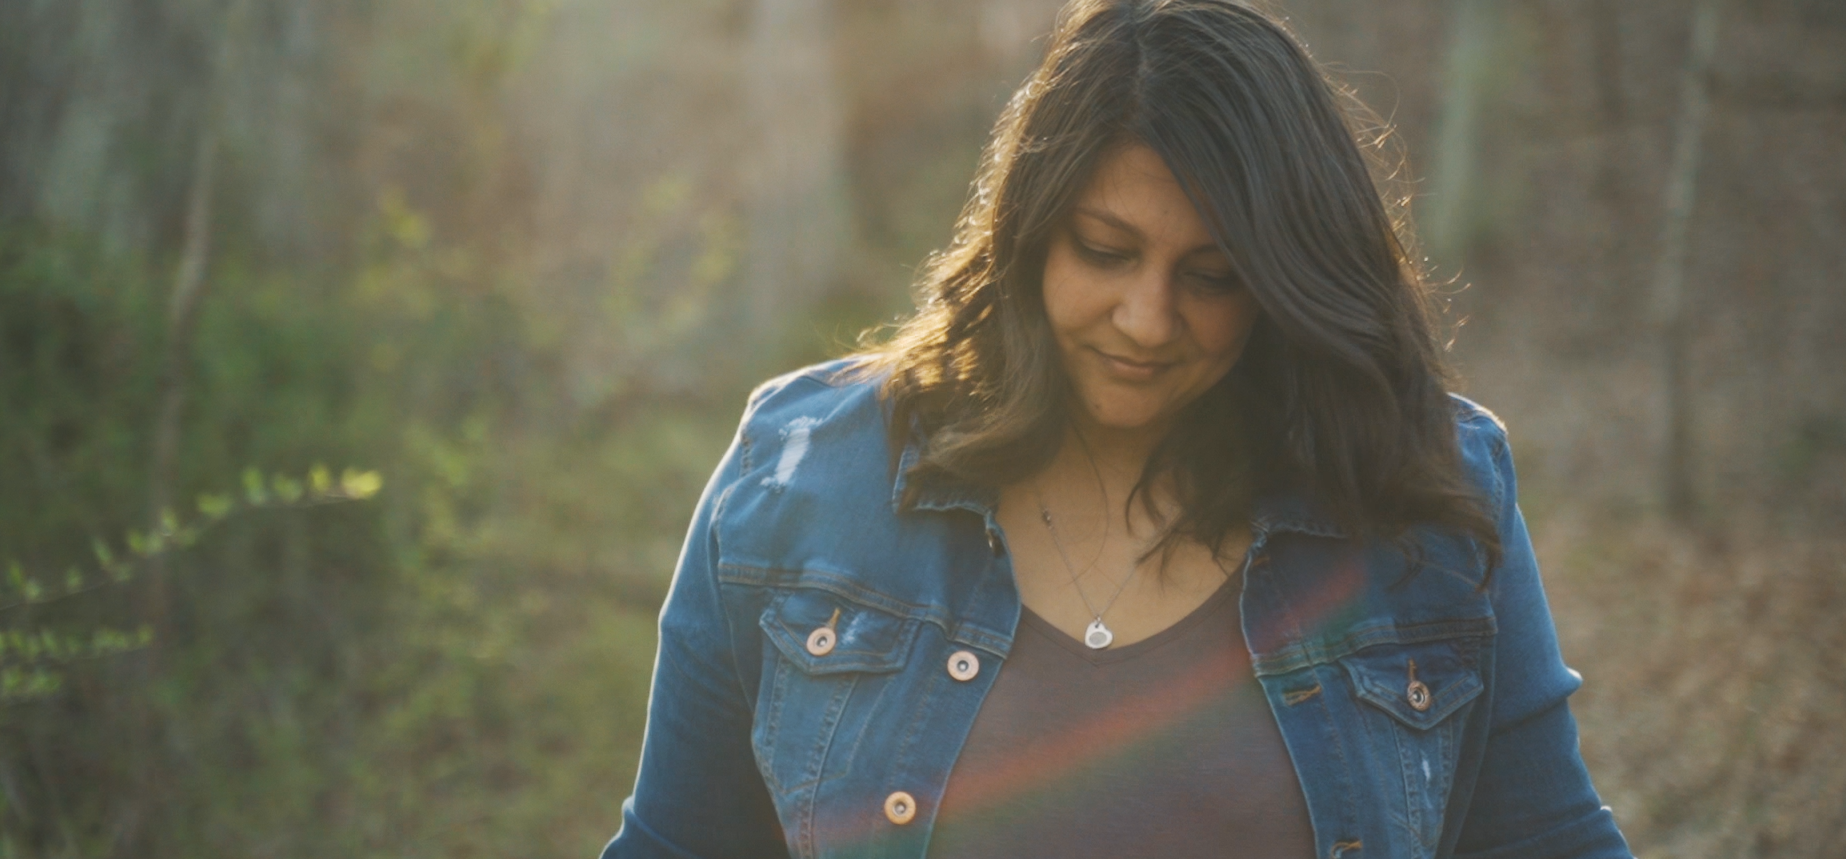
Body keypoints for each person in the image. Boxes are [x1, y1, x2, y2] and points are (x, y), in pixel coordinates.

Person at [602, 1, 1633, 857]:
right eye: (1105, 250)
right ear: (1030, 232)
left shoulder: (1421, 493)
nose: (1147, 319)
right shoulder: (802, 475)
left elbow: (1550, 839)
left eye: (1212, 275)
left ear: (1284, 284)